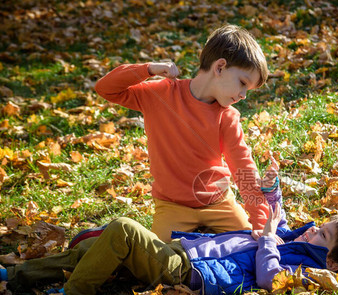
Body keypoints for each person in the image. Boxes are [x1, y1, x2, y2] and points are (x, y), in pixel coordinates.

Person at [0, 169, 338, 295]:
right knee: (95, 248)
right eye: (322, 224)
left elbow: (270, 278)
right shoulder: (297, 240)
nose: (315, 228)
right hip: (182, 251)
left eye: (324, 234)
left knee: (124, 230)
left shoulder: (307, 269)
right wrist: (272, 189)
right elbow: (278, 220)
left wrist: (268, 239)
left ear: (333, 261)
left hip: (190, 273)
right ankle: (6, 277)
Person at [95, 24, 271, 242]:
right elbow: (106, 88)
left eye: (248, 89)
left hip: (219, 203)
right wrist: (148, 69)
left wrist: (260, 224)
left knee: (247, 249)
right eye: (243, 83)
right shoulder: (160, 94)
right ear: (220, 67)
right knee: (160, 261)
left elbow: (244, 167)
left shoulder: (227, 116)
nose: (244, 95)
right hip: (172, 206)